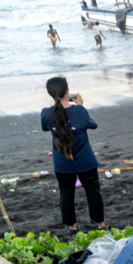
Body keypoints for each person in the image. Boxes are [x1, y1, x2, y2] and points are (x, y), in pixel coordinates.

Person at [41, 77, 105, 237]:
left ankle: (71, 226)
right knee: (93, 192)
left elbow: (45, 127)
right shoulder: (79, 111)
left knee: (66, 194)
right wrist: (80, 105)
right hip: (85, 161)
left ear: (50, 94)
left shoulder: (46, 113)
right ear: (67, 92)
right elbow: (92, 124)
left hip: (62, 164)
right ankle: (100, 224)